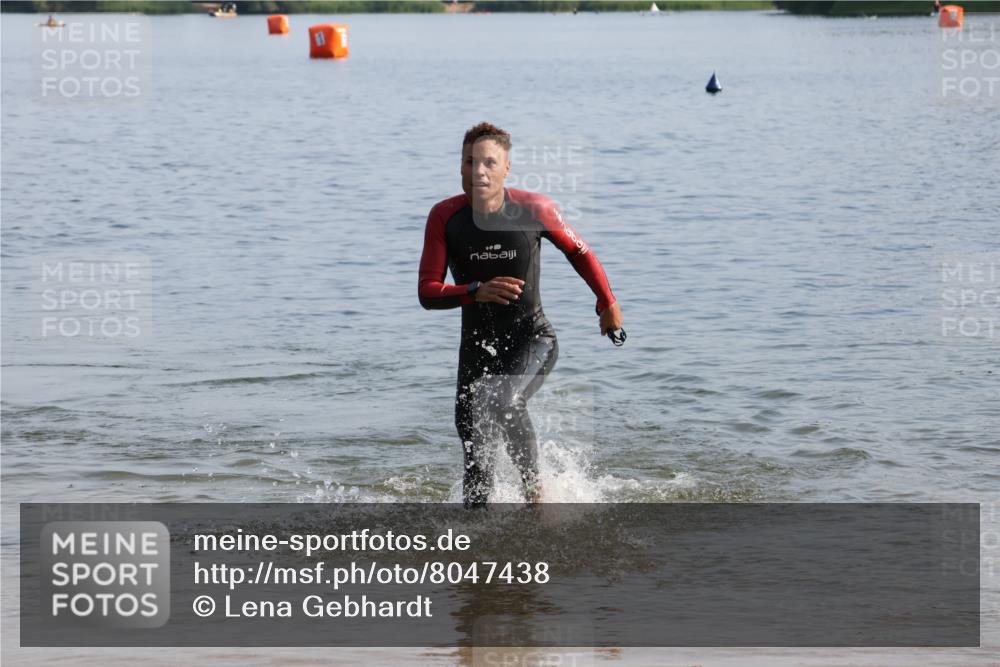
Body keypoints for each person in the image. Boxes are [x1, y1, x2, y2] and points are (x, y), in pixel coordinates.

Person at [418, 122, 622, 508]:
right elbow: (428, 291)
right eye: (469, 162)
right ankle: (475, 542)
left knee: (503, 399)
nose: (478, 171)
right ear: (460, 167)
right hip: (476, 349)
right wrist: (475, 292)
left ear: (506, 168)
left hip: (532, 339)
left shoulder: (534, 209)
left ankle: (536, 498)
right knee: (475, 457)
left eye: (489, 163)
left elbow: (579, 251)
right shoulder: (444, 217)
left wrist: (606, 302)